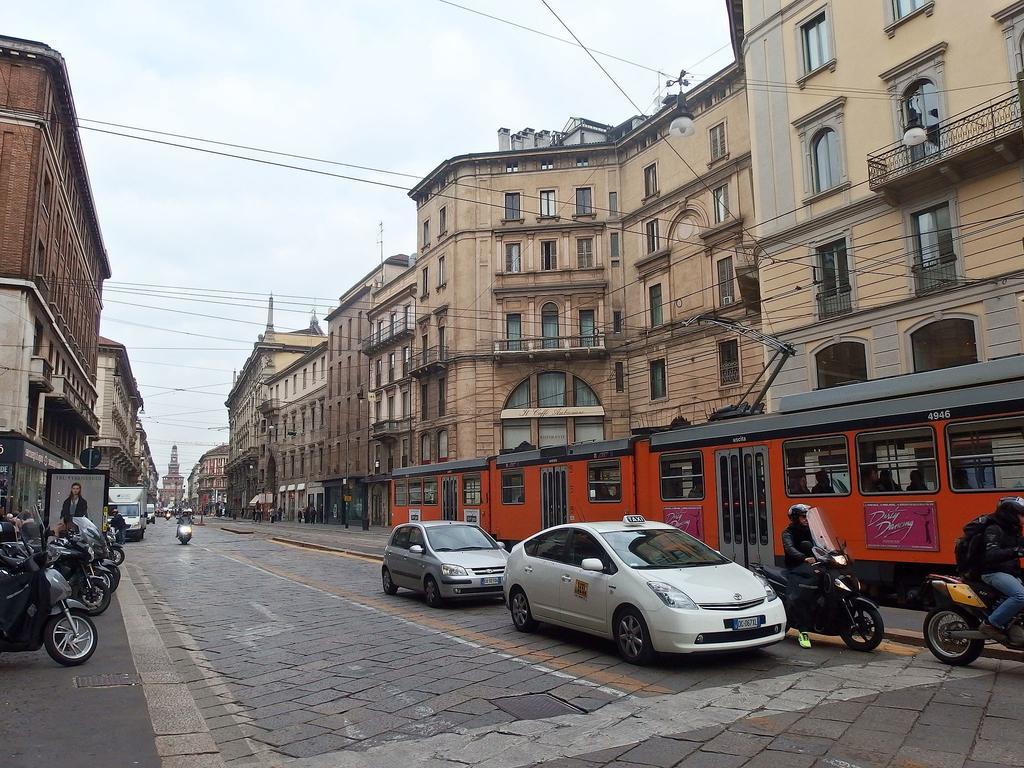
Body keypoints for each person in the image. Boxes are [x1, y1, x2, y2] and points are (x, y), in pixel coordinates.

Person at [978, 497, 1024, 640]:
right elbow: (991, 554)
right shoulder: (993, 529)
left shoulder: (1013, 530)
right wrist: (1016, 551)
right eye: (1021, 515)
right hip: (993, 572)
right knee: (1021, 596)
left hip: (1010, 571)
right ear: (1010, 514)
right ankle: (991, 624)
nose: (1023, 518)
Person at [781, 503, 817, 649]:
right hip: (796, 567)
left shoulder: (811, 530)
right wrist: (803, 558)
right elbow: (790, 549)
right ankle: (803, 632)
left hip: (812, 566)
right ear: (795, 518)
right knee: (801, 596)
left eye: (807, 516)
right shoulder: (788, 533)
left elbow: (822, 542)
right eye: (803, 517)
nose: (806, 519)